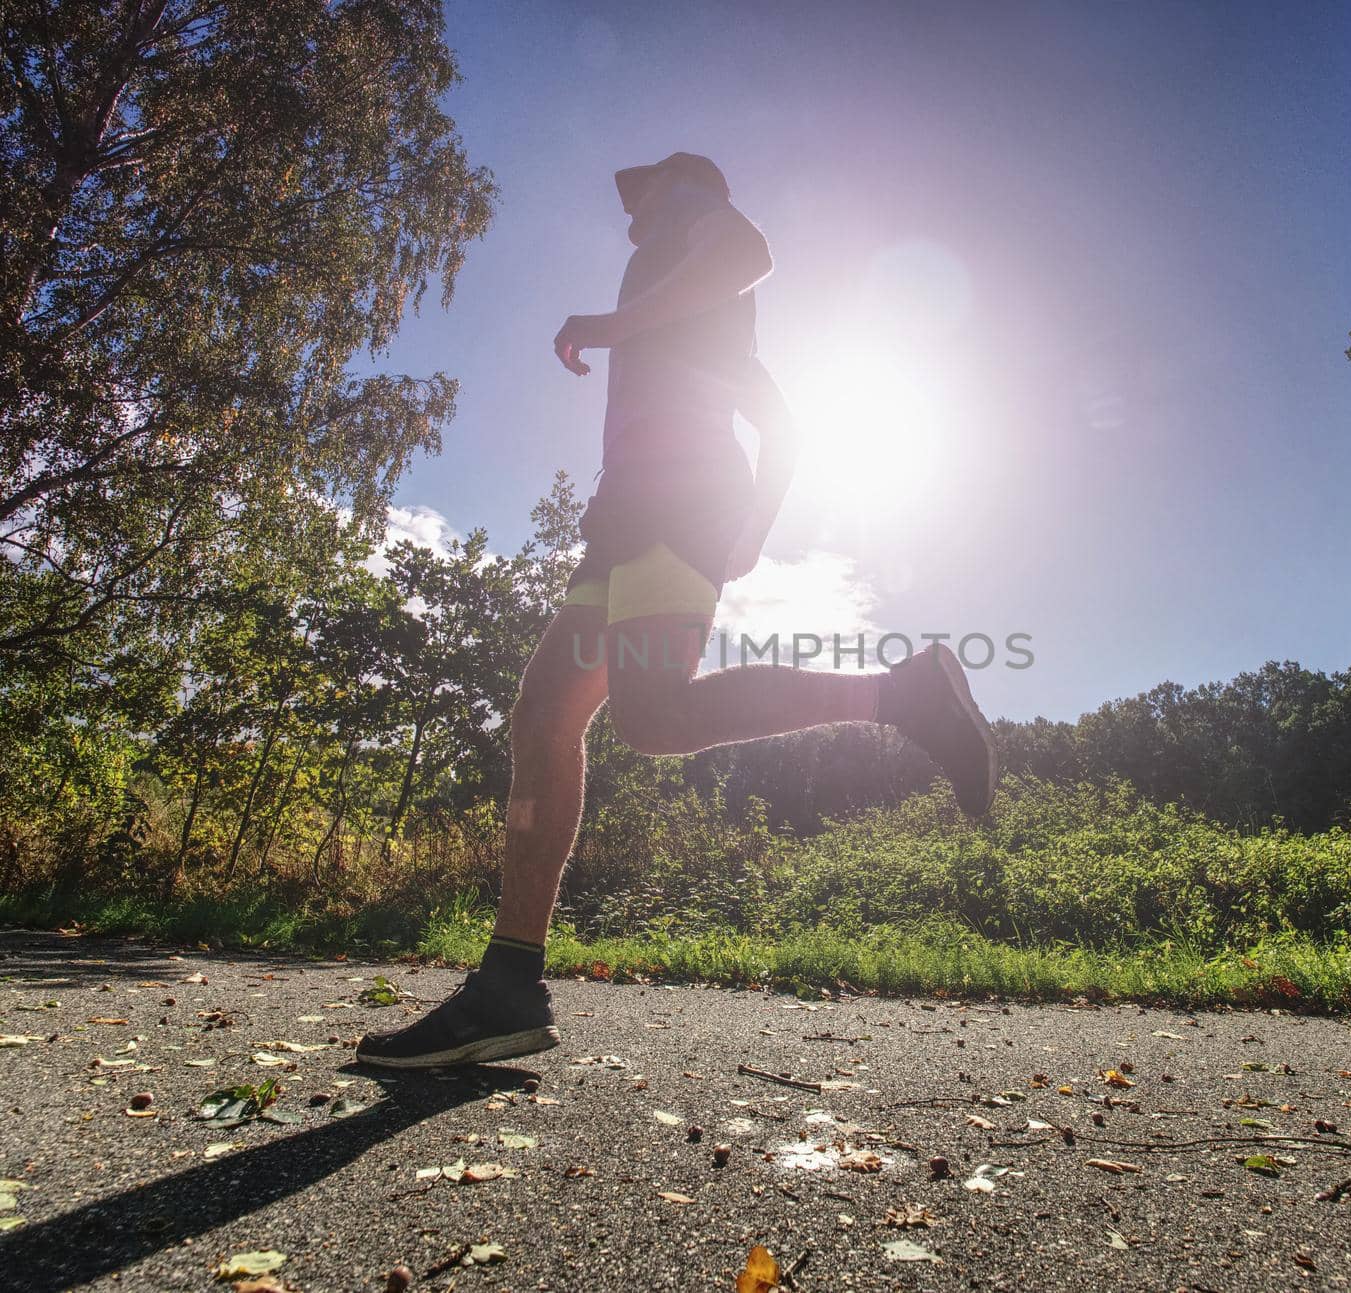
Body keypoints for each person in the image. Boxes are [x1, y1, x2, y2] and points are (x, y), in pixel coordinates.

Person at [357, 153, 996, 1068]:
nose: (628, 205)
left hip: (673, 496)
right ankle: (506, 983)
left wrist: (611, 326)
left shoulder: (692, 219)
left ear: (675, 186)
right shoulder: (693, 300)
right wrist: (753, 529)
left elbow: (748, 245)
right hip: (633, 508)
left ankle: (904, 695)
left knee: (652, 717)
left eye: (638, 189)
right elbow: (781, 419)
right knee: (544, 714)